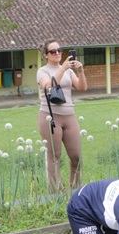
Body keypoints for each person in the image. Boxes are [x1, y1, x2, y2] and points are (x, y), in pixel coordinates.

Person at [37, 40, 88, 191]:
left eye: (59, 50)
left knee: (76, 156)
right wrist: (63, 68)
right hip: (50, 116)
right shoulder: (42, 71)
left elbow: (82, 87)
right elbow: (49, 86)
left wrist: (80, 71)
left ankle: (76, 189)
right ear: (46, 55)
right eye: (53, 51)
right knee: (54, 156)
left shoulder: (68, 71)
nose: (57, 53)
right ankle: (56, 192)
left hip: (69, 115)